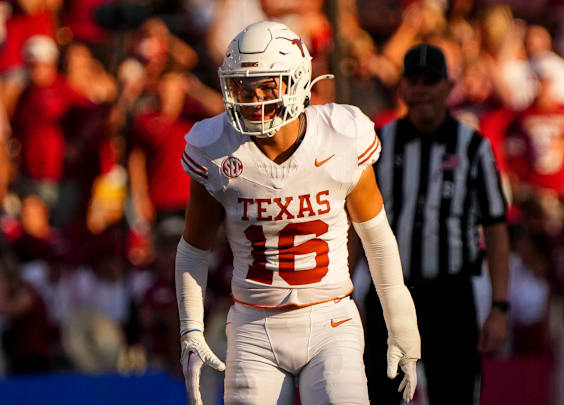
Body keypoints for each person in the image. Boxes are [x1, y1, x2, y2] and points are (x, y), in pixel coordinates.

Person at [174, 21, 421, 405]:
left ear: (297, 81)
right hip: (254, 324)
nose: (253, 98)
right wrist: (190, 329)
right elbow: (193, 249)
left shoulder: (341, 134)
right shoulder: (216, 148)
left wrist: (402, 324)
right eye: (242, 85)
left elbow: (376, 237)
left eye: (267, 85)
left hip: (331, 321)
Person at [364, 43, 510, 404]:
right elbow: (356, 224)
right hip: (389, 294)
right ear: (401, 87)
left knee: (455, 394)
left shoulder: (473, 146)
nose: (422, 89)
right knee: (379, 396)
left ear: (448, 87)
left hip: (451, 297)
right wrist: (346, 293)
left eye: (431, 81)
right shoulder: (379, 144)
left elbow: (495, 229)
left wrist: (500, 307)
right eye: (414, 80)